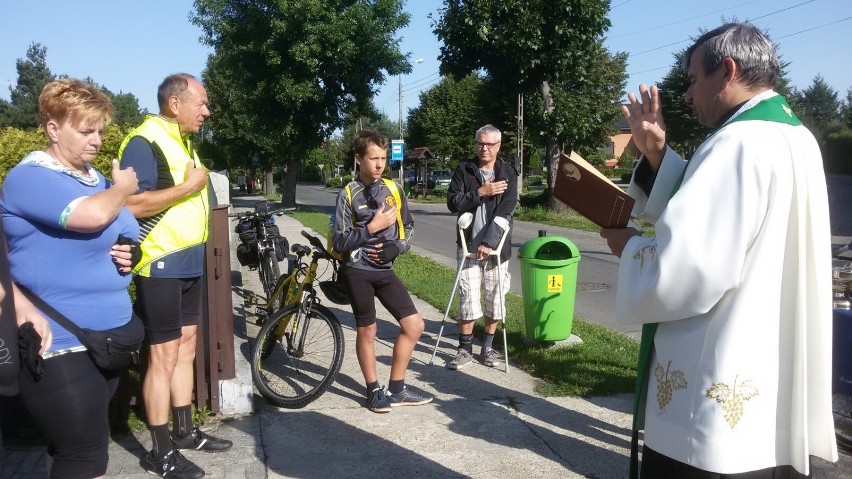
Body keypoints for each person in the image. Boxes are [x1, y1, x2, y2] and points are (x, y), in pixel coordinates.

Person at [600, 23, 838, 478]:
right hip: (767, 398)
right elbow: (719, 219)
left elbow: (687, 270)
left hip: (711, 409)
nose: (687, 96)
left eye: (692, 81)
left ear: (726, 70)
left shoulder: (735, 144)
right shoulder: (796, 137)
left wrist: (632, 248)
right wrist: (657, 155)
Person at [0, 78, 140, 478]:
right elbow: (93, 217)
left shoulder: (92, 178)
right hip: (58, 341)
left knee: (70, 449)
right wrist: (124, 187)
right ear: (53, 128)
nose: (96, 140)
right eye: (85, 130)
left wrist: (131, 250)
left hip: (105, 339)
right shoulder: (30, 178)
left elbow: (125, 227)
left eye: (99, 130)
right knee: (86, 456)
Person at [119, 73, 231, 479]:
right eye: (200, 103)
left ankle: (184, 432)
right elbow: (130, 204)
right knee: (162, 356)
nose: (207, 111)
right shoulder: (143, 141)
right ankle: (160, 450)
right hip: (160, 265)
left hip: (187, 261)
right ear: (175, 104)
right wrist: (188, 189)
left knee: (186, 347)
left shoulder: (182, 142)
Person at [332, 129, 433, 413]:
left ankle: (397, 389)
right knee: (368, 330)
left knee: (414, 325)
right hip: (358, 270)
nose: (379, 165)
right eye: (373, 158)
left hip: (385, 269)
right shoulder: (348, 194)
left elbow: (408, 228)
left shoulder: (394, 189)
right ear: (358, 159)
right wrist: (371, 228)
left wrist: (397, 248)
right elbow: (340, 242)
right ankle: (373, 390)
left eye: (383, 158)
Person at [445, 124, 517, 370]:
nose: (484, 148)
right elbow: (453, 203)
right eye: (480, 143)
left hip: (497, 248)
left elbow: (506, 210)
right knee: (467, 296)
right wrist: (480, 192)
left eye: (489, 144)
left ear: (498, 146)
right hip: (468, 245)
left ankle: (488, 348)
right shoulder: (465, 169)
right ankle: (464, 349)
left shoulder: (507, 172)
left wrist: (489, 242)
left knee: (495, 297)